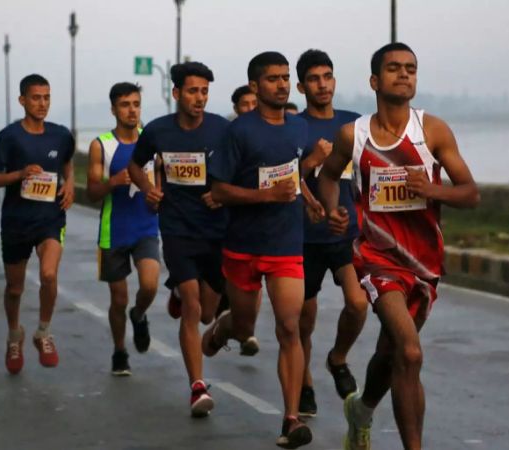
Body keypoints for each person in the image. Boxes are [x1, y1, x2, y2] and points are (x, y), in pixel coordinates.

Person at [317, 43, 479, 450]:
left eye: (411, 68)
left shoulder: (432, 131)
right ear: (375, 80)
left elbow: (471, 193)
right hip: (376, 259)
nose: (404, 74)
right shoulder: (352, 135)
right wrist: (333, 210)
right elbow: (329, 175)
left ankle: (362, 409)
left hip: (424, 265)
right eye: (393, 68)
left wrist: (432, 190)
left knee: (392, 353)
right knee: (410, 352)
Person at [204, 51, 319, 449]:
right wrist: (265, 195)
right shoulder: (238, 132)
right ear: (255, 86)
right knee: (245, 325)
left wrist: (308, 194)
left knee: (289, 326)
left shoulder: (300, 128)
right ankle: (223, 328)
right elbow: (219, 190)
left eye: (286, 77)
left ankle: (290, 420)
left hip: (287, 243)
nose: (282, 84)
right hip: (243, 246)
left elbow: (290, 172)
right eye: (272, 79)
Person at [128, 61, 231, 418]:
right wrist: (148, 188)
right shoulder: (158, 131)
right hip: (177, 229)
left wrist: (222, 194)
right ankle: (197, 387)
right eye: (192, 91)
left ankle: (177, 291)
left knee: (206, 314)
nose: (199, 98)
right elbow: (133, 165)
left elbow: (237, 171)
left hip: (217, 231)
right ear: (176, 94)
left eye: (204, 91)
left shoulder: (221, 129)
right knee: (192, 307)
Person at [0, 74, 76, 375]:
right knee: (14, 288)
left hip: (50, 219)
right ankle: (14, 335)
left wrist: (70, 185)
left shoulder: (61, 135)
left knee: (48, 274)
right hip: (16, 222)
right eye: (36, 98)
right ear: (22, 100)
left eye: (47, 97)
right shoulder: (9, 137)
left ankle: (43, 332)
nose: (42, 103)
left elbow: (68, 162)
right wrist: (18, 175)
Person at [292, 49, 368, 417]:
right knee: (304, 321)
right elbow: (282, 179)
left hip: (347, 234)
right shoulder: (295, 128)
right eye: (313, 79)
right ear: (301, 85)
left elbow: (367, 176)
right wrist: (310, 162)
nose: (322, 85)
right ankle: (305, 383)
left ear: (334, 80)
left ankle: (337, 359)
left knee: (357, 304)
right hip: (305, 239)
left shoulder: (354, 124)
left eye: (327, 77)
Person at [87, 82, 160, 377]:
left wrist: (159, 198)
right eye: (125, 105)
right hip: (113, 230)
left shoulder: (152, 141)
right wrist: (111, 183)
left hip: (146, 226)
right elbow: (92, 191)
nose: (132, 110)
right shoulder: (101, 145)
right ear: (114, 109)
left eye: (136, 104)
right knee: (118, 299)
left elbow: (163, 177)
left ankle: (139, 315)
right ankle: (120, 351)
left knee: (150, 284)